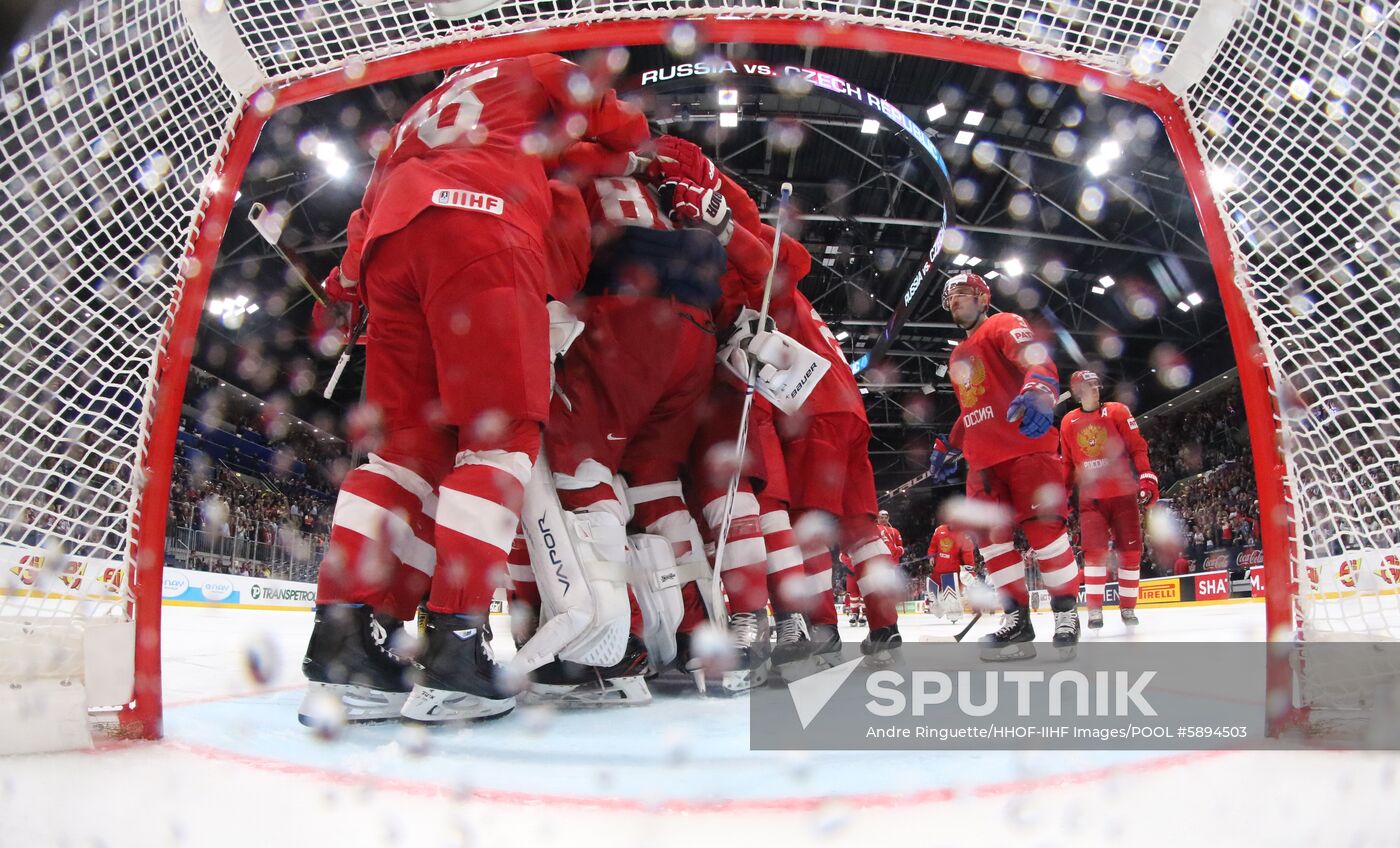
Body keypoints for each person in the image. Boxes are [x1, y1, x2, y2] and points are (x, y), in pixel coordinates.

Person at [299, 53, 648, 725]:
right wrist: (624, 153)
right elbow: (619, 120)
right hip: (483, 227)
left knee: (402, 458)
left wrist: (346, 287)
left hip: (391, 253)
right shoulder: (532, 65)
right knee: (498, 441)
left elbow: (358, 236)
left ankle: (343, 638)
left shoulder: (412, 118)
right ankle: (456, 645)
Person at [932, 272, 1080, 661]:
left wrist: (1040, 387)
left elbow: (1036, 358)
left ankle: (1065, 613)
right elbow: (973, 407)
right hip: (982, 463)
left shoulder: (1003, 323)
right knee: (992, 543)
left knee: (1045, 533)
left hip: (1025, 450)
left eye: (963, 294)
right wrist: (950, 442)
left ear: (983, 298)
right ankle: (1018, 620)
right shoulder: (955, 357)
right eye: (950, 298)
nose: (955, 302)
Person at [1058, 369, 1159, 627]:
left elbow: (1137, 447)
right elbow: (1068, 465)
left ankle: (1128, 609)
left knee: (1131, 553)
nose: (1095, 389)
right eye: (1089, 386)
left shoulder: (1118, 411)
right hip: (1091, 501)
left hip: (1123, 495)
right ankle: (1094, 611)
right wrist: (1062, 494)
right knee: (1094, 554)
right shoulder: (1068, 422)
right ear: (1078, 391)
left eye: (1096, 385)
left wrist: (1147, 476)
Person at [926, 522, 974, 618]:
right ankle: (936, 607)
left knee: (952, 595)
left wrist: (970, 570)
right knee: (934, 593)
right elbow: (933, 545)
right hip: (938, 567)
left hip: (953, 570)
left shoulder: (965, 534)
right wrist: (931, 556)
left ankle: (954, 612)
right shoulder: (939, 529)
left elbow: (967, 553)